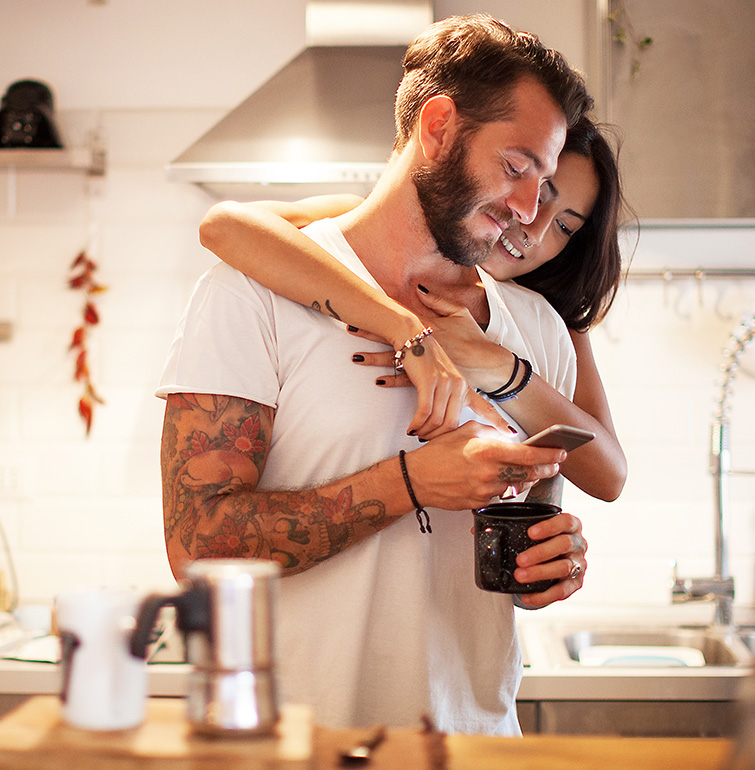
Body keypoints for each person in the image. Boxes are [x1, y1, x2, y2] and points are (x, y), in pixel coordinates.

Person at [157, 15, 592, 734]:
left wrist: (555, 561)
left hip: (473, 744)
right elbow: (196, 545)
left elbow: (530, 528)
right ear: (439, 126)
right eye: (516, 167)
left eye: (541, 181)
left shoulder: (534, 329)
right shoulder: (249, 294)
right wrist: (412, 481)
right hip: (296, 745)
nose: (526, 209)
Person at [198, 118, 629, 503]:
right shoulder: (360, 223)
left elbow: (608, 476)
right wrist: (402, 325)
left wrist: (497, 367)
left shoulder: (547, 320)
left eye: (565, 226)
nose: (534, 225)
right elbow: (225, 226)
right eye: (528, 183)